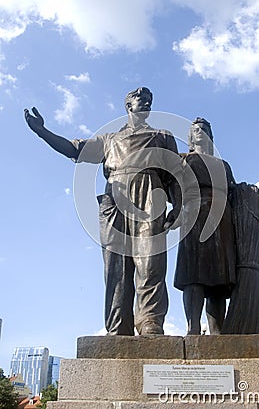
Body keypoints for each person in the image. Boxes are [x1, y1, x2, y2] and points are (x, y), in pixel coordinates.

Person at [25, 87, 182, 336]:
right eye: (141, 100)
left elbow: (175, 174)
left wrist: (178, 206)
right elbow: (73, 148)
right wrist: (42, 132)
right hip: (115, 194)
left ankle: (150, 319)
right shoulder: (109, 140)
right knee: (115, 266)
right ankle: (118, 324)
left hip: (150, 191)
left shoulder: (162, 135)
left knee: (150, 260)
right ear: (128, 105)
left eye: (150, 101)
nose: (147, 103)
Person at [174, 118, 236, 335]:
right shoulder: (183, 160)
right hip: (194, 216)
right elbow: (173, 188)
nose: (200, 131)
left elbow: (235, 194)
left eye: (204, 129)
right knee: (194, 273)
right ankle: (193, 326)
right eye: (196, 130)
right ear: (190, 137)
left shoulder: (223, 165)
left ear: (211, 135)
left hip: (222, 221)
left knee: (219, 278)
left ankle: (218, 329)